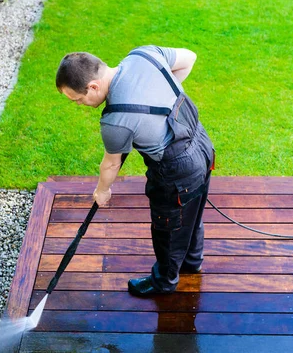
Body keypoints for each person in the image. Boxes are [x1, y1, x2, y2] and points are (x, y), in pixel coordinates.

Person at [55, 45, 214, 296]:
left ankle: (164, 282)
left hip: (177, 170)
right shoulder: (144, 54)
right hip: (202, 145)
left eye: (78, 99)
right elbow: (189, 58)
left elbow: (111, 164)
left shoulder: (115, 120)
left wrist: (102, 191)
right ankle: (192, 263)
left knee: (168, 228)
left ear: (93, 87)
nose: (80, 105)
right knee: (191, 214)